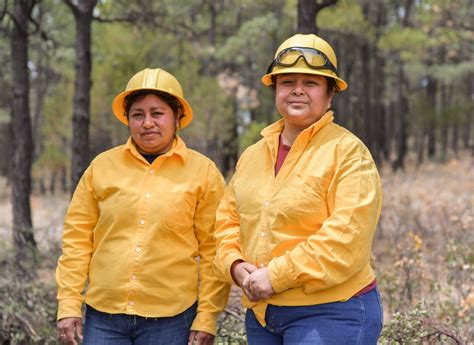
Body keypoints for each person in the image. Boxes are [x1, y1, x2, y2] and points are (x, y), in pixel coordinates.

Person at [213, 33, 383, 344]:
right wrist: (235, 266)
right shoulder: (252, 156)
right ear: (275, 90)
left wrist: (276, 276)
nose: (298, 91)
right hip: (263, 316)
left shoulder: (348, 152)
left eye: (311, 83)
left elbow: (346, 239)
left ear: (330, 95)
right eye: (288, 82)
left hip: (332, 312)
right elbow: (227, 222)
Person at [56, 68, 231, 345]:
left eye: (157, 113)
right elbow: (77, 239)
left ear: (178, 117)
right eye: (138, 114)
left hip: (172, 320)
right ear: (128, 119)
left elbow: (214, 250)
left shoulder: (204, 173)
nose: (147, 123)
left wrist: (207, 315)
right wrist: (68, 304)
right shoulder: (102, 167)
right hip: (103, 318)